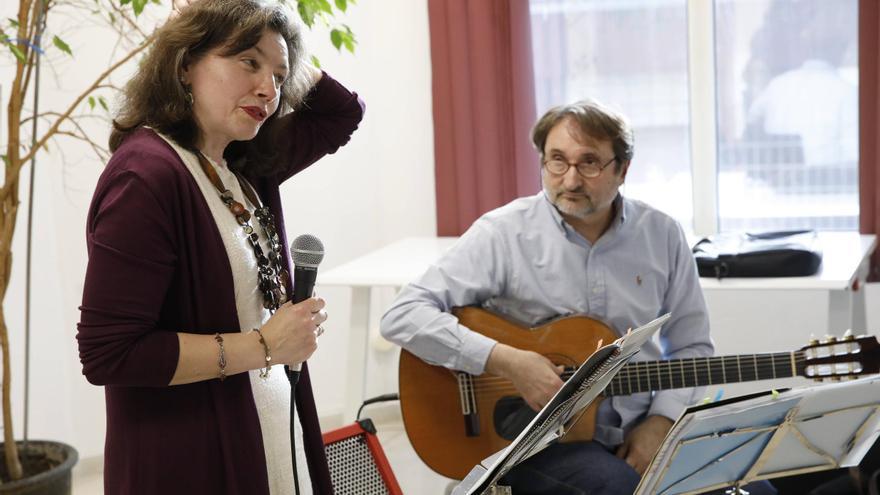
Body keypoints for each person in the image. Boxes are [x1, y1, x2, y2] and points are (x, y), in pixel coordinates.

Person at [381, 100, 775, 495]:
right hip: (534, 440)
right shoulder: (502, 233)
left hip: (639, 428)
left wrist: (662, 421)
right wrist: (509, 361)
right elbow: (403, 315)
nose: (569, 180)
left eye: (589, 163)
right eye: (557, 161)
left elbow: (691, 346)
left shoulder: (662, 235)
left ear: (622, 169)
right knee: (621, 489)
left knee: (755, 488)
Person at [75, 0, 364, 493]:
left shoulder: (242, 165)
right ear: (185, 63)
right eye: (247, 62)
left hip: (272, 433)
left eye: (279, 76)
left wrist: (274, 35)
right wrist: (267, 345)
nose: (268, 89)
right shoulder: (146, 176)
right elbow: (109, 353)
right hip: (194, 458)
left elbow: (341, 113)